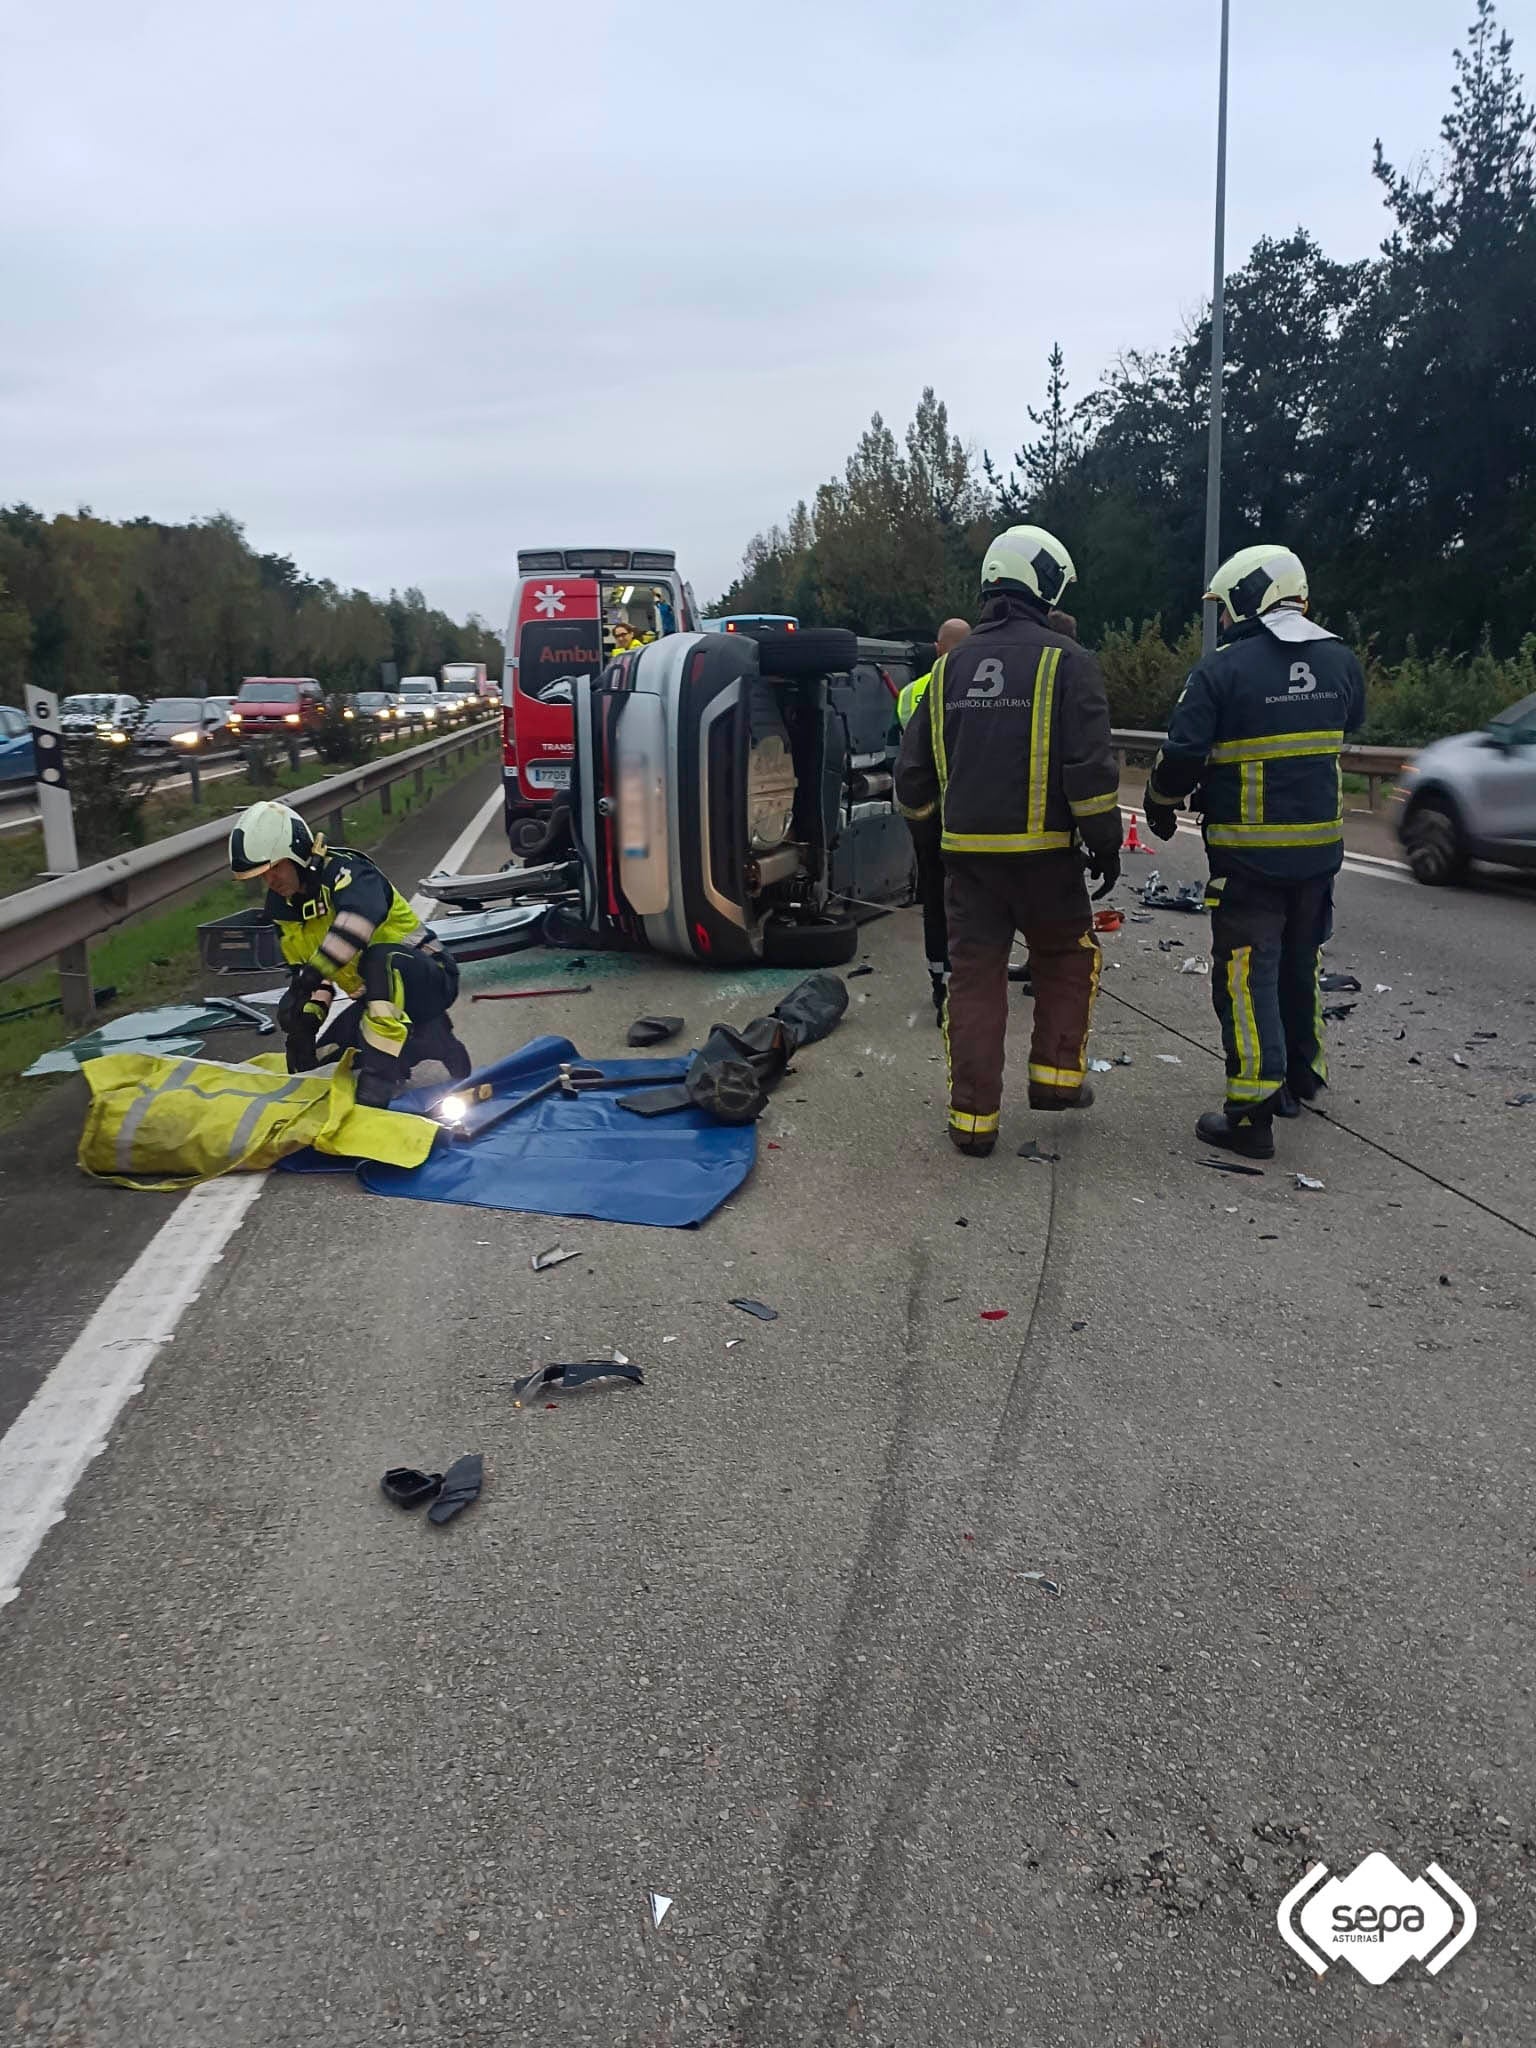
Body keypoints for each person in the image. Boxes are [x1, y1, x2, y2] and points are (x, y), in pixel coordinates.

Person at [895, 525, 1122, 1155]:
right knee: (1067, 958)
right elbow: (1092, 771)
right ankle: (1055, 1080)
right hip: (1049, 858)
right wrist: (1105, 843)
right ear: (1043, 584)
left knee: (974, 979)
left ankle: (973, 1120)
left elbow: (911, 782)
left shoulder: (945, 673)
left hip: (968, 863)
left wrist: (928, 845)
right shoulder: (1068, 661)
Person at [1142, 545, 1366, 1158]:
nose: (1221, 621)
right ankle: (1302, 1075)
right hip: (1319, 855)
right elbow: (1348, 727)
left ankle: (1251, 1113)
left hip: (1250, 860)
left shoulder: (1222, 670)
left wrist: (1159, 800)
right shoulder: (1342, 661)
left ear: (1249, 595)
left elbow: (1184, 754)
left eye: (1224, 607)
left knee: (1246, 976)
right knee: (1302, 962)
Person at [228, 800, 471, 1108]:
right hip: (375, 996)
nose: (271, 881)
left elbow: (357, 924)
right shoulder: (282, 908)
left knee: (378, 959)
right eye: (263, 874)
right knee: (320, 1050)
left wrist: (312, 974)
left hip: (429, 980)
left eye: (275, 867)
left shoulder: (349, 873)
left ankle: (382, 1074)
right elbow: (310, 976)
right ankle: (418, 1044)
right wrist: (303, 1024)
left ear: (298, 853)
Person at [895, 616, 971, 1022]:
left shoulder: (912, 694)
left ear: (938, 648)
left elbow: (908, 760)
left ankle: (940, 984)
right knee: (975, 905)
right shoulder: (982, 692)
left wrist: (921, 823)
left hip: (932, 818)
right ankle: (970, 983)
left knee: (935, 904)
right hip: (973, 819)